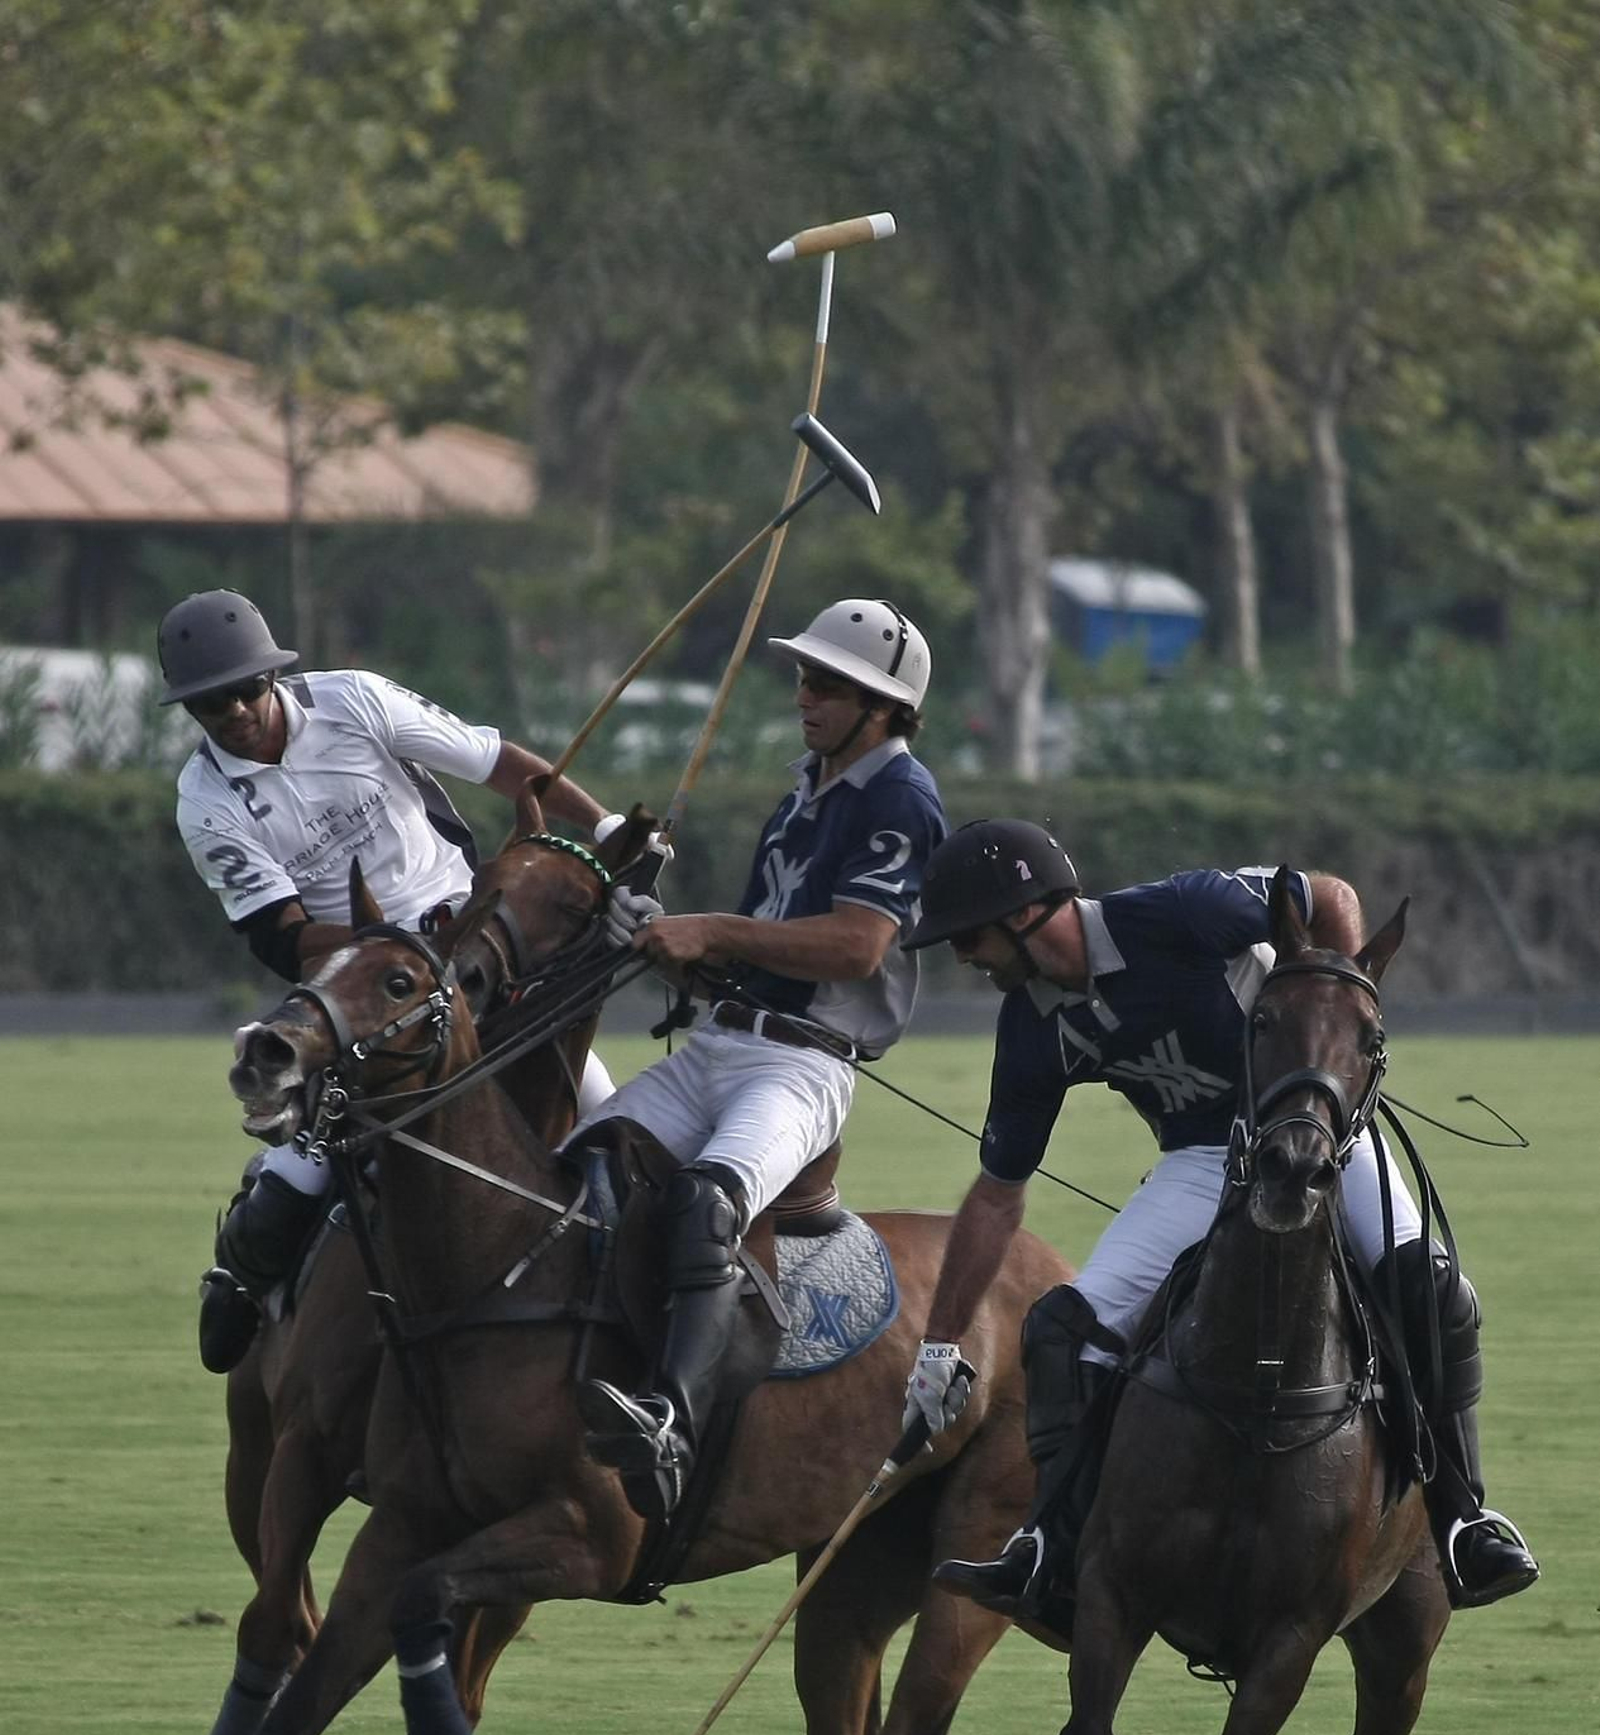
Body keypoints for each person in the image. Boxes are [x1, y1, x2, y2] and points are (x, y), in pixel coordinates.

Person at [896, 821, 1539, 1619]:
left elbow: (1329, 897)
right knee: (1064, 1330)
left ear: (1029, 912)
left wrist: (1332, 1005)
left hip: (1324, 1135)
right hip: (1206, 1157)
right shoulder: (1033, 1023)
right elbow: (997, 1193)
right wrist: (941, 1341)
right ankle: (1049, 1548)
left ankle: (1465, 1520)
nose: (962, 955)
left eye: (970, 936)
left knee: (1432, 1289)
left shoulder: (1179, 913)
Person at [159, 587, 619, 1372]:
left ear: (272, 676)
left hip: (476, 948)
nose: (234, 709)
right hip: (359, 984)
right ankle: (243, 1276)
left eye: (245, 688)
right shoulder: (205, 801)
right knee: (303, 1167)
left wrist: (602, 823)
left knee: (603, 1113)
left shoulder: (356, 700)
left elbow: (497, 761)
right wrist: (400, 948)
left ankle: (624, 1298)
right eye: (210, 703)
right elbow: (286, 934)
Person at [575, 597, 949, 1520]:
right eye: (804, 677)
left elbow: (858, 945)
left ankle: (669, 1422)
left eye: (829, 683)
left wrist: (711, 928)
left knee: (707, 1201)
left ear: (885, 707)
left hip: (802, 1067)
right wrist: (660, 935)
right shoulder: (801, 798)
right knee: (580, 1166)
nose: (806, 696)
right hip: (721, 1042)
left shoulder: (902, 799)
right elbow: (752, 954)